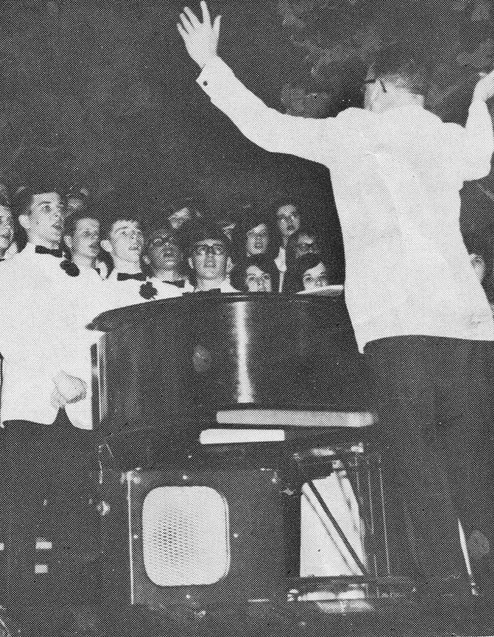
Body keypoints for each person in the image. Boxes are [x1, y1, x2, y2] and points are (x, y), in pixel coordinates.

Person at [178, 1, 494, 613]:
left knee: (418, 467)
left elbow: (267, 128)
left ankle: (451, 601)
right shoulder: (447, 139)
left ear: (380, 90)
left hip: (399, 327)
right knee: (475, 461)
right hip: (468, 325)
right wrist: (480, 101)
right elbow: (482, 155)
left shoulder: (355, 130)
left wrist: (211, 65)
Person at [0, 182, 98, 607]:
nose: (57, 215)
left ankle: (71, 614)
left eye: (59, 208)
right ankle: (18, 613)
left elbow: (93, 337)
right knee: (23, 518)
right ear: (24, 220)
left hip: (78, 410)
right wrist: (56, 377)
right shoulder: (7, 271)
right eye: (46, 207)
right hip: (32, 408)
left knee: (75, 519)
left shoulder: (85, 275)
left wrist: (82, 381)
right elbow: (10, 336)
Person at [103, 212, 184, 304]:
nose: (135, 236)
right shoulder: (100, 292)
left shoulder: (171, 291)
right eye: (124, 233)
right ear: (107, 245)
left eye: (138, 232)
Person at [183, 221, 239, 293]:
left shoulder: (245, 299)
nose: (210, 254)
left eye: (218, 249)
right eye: (202, 249)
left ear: (228, 263)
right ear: (191, 262)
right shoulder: (178, 298)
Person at [142, 224, 189, 292]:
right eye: (158, 242)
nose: (167, 243)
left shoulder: (197, 287)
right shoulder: (137, 291)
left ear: (181, 255)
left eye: (173, 240)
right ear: (147, 259)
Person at [62, 208, 103, 280]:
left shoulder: (109, 276)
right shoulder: (60, 277)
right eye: (87, 233)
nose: (96, 237)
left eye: (97, 233)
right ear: (69, 241)